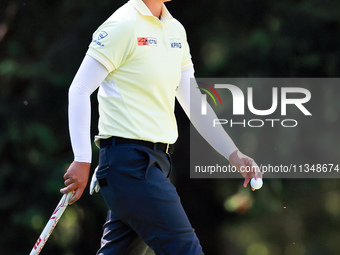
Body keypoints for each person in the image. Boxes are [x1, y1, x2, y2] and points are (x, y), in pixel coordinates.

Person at [60, 0, 262, 254]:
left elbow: (193, 101)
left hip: (155, 163)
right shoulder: (121, 25)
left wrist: (233, 154)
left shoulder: (175, 30)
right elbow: (79, 90)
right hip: (130, 166)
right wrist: (82, 158)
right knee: (186, 250)